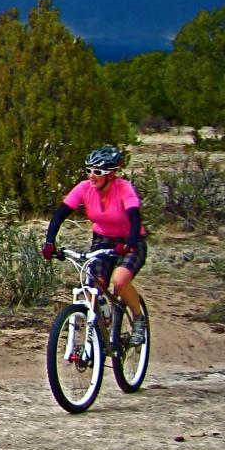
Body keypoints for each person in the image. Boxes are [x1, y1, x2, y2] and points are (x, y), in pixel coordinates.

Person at [42, 145, 149, 344]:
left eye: (97, 172)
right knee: (93, 284)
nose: (92, 176)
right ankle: (103, 316)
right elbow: (60, 214)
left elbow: (135, 217)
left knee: (120, 280)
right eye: (89, 170)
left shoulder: (124, 188)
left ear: (111, 175)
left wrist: (131, 244)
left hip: (131, 240)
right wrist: (50, 243)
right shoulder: (84, 188)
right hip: (103, 239)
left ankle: (138, 319)